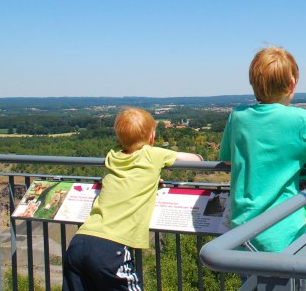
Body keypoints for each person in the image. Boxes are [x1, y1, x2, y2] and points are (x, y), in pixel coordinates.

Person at [220, 46, 306, 252]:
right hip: (284, 235)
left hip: (241, 235)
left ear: (254, 84)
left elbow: (229, 160)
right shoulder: (300, 121)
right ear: (292, 84)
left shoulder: (238, 116)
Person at [63, 107, 203, 291]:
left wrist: (151, 179)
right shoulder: (153, 154)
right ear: (151, 136)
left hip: (79, 242)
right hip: (109, 248)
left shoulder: (112, 155)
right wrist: (199, 155)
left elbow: (130, 175)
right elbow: (196, 159)